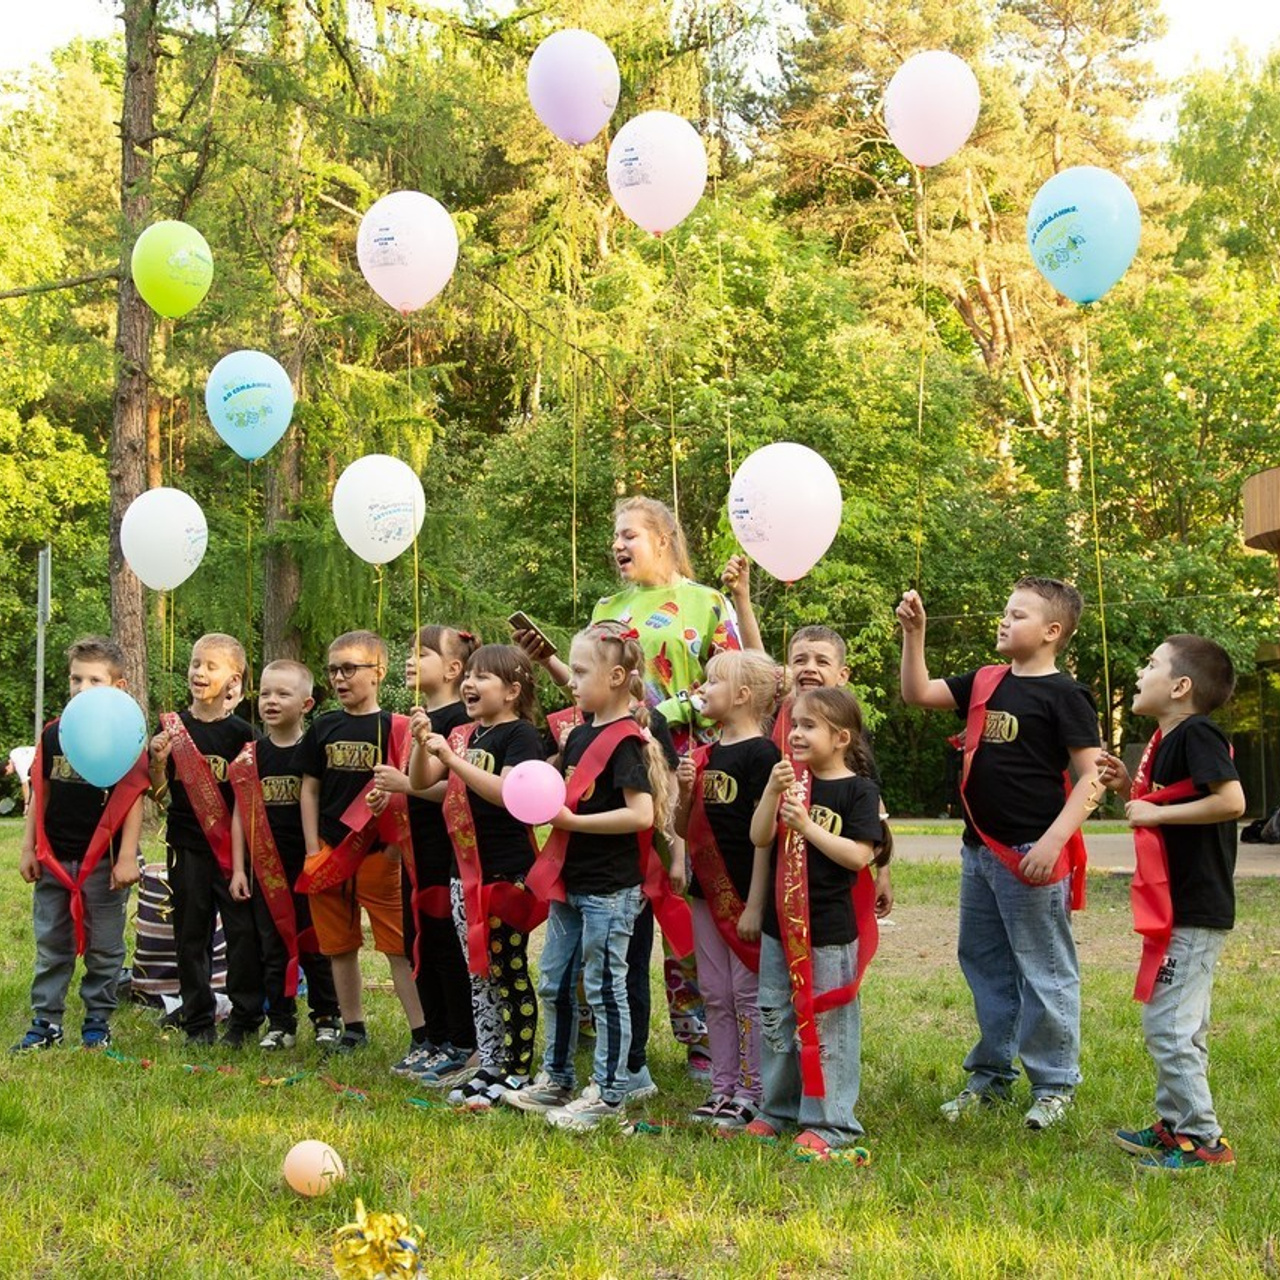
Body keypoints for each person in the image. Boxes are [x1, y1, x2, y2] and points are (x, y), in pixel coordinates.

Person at [516, 496, 739, 1077]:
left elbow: (735, 681)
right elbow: (592, 690)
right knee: (617, 903)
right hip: (614, 773)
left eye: (629, 534)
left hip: (685, 772)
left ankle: (701, 1038)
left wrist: (665, 714)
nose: (617, 544)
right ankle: (610, 1030)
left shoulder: (707, 603)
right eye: (614, 536)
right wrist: (549, 662)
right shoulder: (606, 608)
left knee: (680, 901)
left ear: (663, 538)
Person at [897, 578, 1100, 1129]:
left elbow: (1092, 777)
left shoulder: (1066, 695)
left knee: (1044, 971)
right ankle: (990, 1078)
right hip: (979, 854)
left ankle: (1054, 1085)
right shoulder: (986, 681)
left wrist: (1053, 842)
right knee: (985, 965)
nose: (1004, 620)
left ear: (1052, 631)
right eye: (1005, 612)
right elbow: (918, 693)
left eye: (1018, 615)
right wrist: (914, 635)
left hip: (1031, 856)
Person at [503, 621, 668, 1129]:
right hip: (570, 884)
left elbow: (642, 815)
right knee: (554, 982)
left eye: (579, 672)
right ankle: (556, 1079)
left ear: (617, 677)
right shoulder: (578, 736)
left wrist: (572, 822)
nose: (570, 682)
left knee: (603, 989)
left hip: (610, 891)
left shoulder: (626, 742)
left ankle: (610, 1094)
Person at [1097, 635, 1244, 1172]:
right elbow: (1172, 800)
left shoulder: (1197, 732)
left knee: (1169, 1027)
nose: (1141, 673)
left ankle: (1205, 1142)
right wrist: (1126, 791)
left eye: (1151, 664)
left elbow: (1231, 801)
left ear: (1181, 687)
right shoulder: (1168, 741)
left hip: (1196, 908)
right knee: (1183, 1025)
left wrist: (1154, 813)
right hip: (1180, 907)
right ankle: (1175, 1125)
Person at [747, 687, 886, 1161]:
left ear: (841, 738)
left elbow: (859, 856)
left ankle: (831, 1122)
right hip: (779, 928)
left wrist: (809, 827)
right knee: (775, 1017)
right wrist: (771, 792)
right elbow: (759, 836)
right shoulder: (789, 782)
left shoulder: (859, 791)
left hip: (828, 931)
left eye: (809, 726)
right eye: (794, 725)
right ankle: (777, 1109)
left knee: (827, 1025)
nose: (796, 734)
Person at [408, 643, 545, 1106]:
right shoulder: (464, 735)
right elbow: (421, 782)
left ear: (512, 691)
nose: (469, 682)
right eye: (468, 674)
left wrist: (452, 759)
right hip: (461, 870)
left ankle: (517, 1070)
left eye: (482, 676)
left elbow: (507, 793)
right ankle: (489, 1062)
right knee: (478, 971)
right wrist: (422, 743)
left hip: (505, 872)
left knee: (508, 970)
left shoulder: (521, 735)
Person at [13, 637, 148, 1052]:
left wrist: (127, 856)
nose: (82, 688)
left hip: (104, 865)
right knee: (52, 944)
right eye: (76, 679)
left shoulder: (126, 734)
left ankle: (97, 1021)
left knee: (105, 947)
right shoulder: (54, 733)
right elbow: (40, 793)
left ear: (119, 687)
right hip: (55, 861)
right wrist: (29, 848)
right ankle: (46, 1021)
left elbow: (134, 797)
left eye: (94, 680)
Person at [295, 630, 426, 1058]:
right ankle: (353, 1027)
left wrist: (393, 850)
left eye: (349, 668)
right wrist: (312, 847)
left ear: (378, 671)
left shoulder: (398, 727)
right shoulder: (323, 726)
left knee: (397, 948)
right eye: (333, 670)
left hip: (379, 856)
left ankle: (421, 1032)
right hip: (329, 852)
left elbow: (408, 792)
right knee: (339, 946)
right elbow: (309, 788)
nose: (339, 678)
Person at [674, 649, 781, 1128]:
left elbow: (767, 836)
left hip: (743, 896)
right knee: (715, 992)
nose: (702, 690)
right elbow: (682, 828)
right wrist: (684, 791)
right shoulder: (705, 755)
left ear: (742, 695)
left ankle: (754, 1090)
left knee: (746, 994)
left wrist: (756, 904)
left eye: (713, 682)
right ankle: (722, 1087)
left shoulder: (763, 755)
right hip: (705, 894)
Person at [370, 626, 478, 1080]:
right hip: (414, 850)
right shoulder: (417, 720)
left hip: (444, 849)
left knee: (445, 942)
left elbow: (457, 787)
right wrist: (389, 794)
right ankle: (433, 1037)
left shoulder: (461, 720)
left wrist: (406, 786)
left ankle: (462, 1040)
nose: (411, 659)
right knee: (418, 941)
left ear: (453, 669)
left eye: (423, 653)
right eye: (411, 651)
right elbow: (409, 782)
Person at [149, 633, 262, 1047]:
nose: (199, 672)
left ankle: (245, 1019)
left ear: (234, 679)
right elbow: (159, 795)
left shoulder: (244, 734)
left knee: (242, 934)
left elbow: (251, 800)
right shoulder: (171, 728)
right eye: (196, 663)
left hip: (233, 852)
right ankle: (197, 1020)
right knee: (190, 933)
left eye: (211, 666)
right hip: (186, 846)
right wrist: (157, 764)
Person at [227, 660, 342, 1050]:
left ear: (306, 704)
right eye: (265, 693)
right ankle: (280, 1022)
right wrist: (239, 868)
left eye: (282, 694)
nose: (271, 701)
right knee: (272, 946)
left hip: (309, 865)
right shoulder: (250, 757)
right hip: (265, 871)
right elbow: (239, 815)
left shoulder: (316, 751)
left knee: (316, 943)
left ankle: (326, 1016)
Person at [774, 625, 894, 918]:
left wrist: (883, 872)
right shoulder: (773, 720)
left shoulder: (850, 730)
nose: (809, 668)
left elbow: (872, 806)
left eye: (822, 661)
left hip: (832, 877)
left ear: (842, 675)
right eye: (800, 660)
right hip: (780, 871)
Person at [7, 744, 36, 815]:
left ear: (7, 767)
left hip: (44, 758)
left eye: (8, 773)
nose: (10, 774)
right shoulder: (13, 752)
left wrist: (26, 804)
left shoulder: (19, 765)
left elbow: (25, 785)